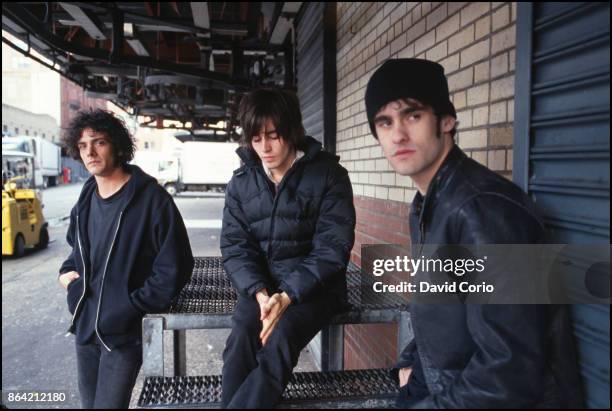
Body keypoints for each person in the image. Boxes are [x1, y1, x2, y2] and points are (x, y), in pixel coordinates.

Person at [364, 58, 583, 408]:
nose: (398, 134)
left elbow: (509, 372)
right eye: (384, 122)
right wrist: (413, 361)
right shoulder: (427, 203)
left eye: (413, 115)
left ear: (446, 120)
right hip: (444, 386)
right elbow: (444, 307)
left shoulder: (484, 211)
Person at [220, 88, 356, 408]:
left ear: (292, 130)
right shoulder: (242, 182)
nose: (264, 147)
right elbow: (236, 245)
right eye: (255, 138)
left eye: (273, 136)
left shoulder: (329, 175)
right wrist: (259, 293)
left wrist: (288, 295)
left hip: (315, 288)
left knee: (279, 340)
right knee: (241, 338)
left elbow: (332, 247)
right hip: (262, 288)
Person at [58, 109, 194, 408]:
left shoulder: (152, 200)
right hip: (86, 327)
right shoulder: (86, 197)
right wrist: (69, 278)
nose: (90, 152)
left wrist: (133, 306)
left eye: (99, 142)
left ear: (118, 146)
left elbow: (177, 267)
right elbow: (77, 251)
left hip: (123, 333)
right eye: (82, 145)